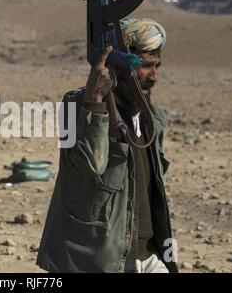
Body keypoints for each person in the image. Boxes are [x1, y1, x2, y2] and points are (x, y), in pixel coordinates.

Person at [37, 18, 178, 273]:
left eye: (157, 66)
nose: (154, 77)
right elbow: (89, 164)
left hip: (147, 253)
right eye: (146, 66)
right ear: (118, 66)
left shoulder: (149, 116)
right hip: (99, 257)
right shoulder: (74, 106)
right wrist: (95, 101)